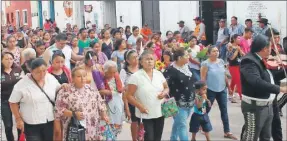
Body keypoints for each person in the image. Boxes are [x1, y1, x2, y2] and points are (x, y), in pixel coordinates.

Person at [240, 34, 287, 141]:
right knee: (251, 136)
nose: (271, 50)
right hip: (254, 107)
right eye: (270, 47)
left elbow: (272, 76)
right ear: (264, 48)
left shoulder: (261, 59)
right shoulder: (249, 61)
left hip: (268, 105)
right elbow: (256, 82)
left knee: (266, 136)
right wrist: (280, 89)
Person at [9, 58, 68, 141]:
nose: (42, 74)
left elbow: (58, 89)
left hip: (49, 120)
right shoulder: (21, 84)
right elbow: (12, 102)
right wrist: (18, 119)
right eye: (38, 72)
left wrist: (63, 85)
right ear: (31, 71)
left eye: (44, 70)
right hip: (32, 123)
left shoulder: (50, 78)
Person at [54, 67, 109, 141]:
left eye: (84, 76)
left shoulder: (91, 89)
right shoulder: (65, 91)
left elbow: (101, 103)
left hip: (92, 129)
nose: (82, 79)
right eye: (79, 76)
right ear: (72, 78)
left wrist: (104, 115)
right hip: (75, 128)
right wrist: (73, 114)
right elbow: (58, 110)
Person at [127, 50, 169, 141]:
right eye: (147, 59)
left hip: (160, 112)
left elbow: (166, 87)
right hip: (145, 114)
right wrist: (140, 106)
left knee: (157, 138)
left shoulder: (158, 74)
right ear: (141, 62)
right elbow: (129, 96)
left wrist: (164, 93)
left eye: (151, 59)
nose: (150, 61)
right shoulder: (136, 76)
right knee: (148, 138)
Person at [200, 46, 237, 139]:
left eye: (217, 51)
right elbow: (203, 79)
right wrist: (203, 92)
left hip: (222, 89)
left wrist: (229, 87)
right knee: (206, 109)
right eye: (213, 51)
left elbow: (224, 75)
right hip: (210, 90)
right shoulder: (205, 64)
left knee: (224, 110)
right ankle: (202, 126)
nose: (216, 53)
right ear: (208, 53)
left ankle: (227, 131)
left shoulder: (221, 61)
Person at [163, 48, 196, 141]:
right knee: (182, 125)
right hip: (177, 104)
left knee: (179, 123)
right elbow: (164, 85)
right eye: (186, 55)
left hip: (190, 102)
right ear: (179, 58)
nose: (188, 57)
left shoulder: (187, 67)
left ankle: (173, 139)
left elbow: (191, 83)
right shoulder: (170, 70)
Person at [1, 52, 22, 141]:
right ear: (1, 60)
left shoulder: (18, 70)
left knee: (20, 124)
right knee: (8, 125)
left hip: (18, 102)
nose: (9, 61)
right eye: (6, 59)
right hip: (5, 102)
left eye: (11, 59)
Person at [102, 61, 125, 138]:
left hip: (116, 106)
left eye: (114, 72)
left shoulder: (117, 78)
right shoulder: (100, 79)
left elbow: (121, 92)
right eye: (110, 72)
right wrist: (102, 92)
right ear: (105, 71)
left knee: (115, 130)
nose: (112, 74)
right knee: (106, 130)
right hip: (105, 107)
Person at [120, 50, 139, 141]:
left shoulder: (141, 69)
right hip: (131, 100)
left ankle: (141, 137)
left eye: (137, 56)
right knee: (134, 122)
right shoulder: (124, 71)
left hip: (142, 99)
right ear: (128, 60)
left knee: (143, 121)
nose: (136, 59)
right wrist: (126, 108)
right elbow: (122, 89)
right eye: (134, 58)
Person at [227, 34, 245, 102]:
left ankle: (230, 96)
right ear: (234, 39)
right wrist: (237, 50)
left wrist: (240, 51)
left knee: (233, 82)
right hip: (233, 66)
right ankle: (241, 96)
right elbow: (231, 58)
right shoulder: (230, 46)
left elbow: (243, 55)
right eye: (238, 38)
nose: (239, 40)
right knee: (238, 81)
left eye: (240, 38)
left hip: (238, 65)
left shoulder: (238, 46)